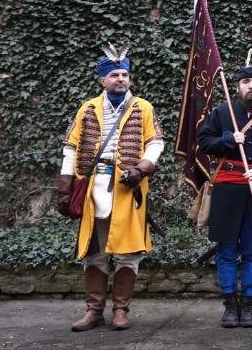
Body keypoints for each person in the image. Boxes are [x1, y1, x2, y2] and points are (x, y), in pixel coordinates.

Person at [56, 44, 164, 331]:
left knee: (128, 253)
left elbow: (156, 142)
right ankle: (94, 311)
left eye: (124, 75)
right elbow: (71, 146)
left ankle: (120, 310)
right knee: (95, 252)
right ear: (102, 80)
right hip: (93, 190)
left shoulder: (143, 107)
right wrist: (65, 185)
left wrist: (142, 168)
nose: (120, 79)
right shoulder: (87, 109)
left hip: (129, 192)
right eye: (114, 75)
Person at [197, 64, 252, 328]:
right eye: (246, 82)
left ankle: (248, 304)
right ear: (237, 86)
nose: (251, 86)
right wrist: (227, 139)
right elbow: (203, 141)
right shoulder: (222, 113)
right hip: (226, 189)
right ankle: (229, 305)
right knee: (225, 250)